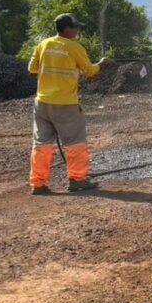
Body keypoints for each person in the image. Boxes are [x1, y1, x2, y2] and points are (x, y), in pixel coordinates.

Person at [27, 13, 115, 194]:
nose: (77, 30)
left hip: (42, 102)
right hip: (65, 104)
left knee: (41, 143)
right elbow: (90, 71)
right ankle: (77, 179)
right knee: (75, 142)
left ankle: (38, 184)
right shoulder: (74, 47)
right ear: (66, 29)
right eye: (75, 27)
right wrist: (101, 63)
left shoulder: (44, 44)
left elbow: (32, 68)